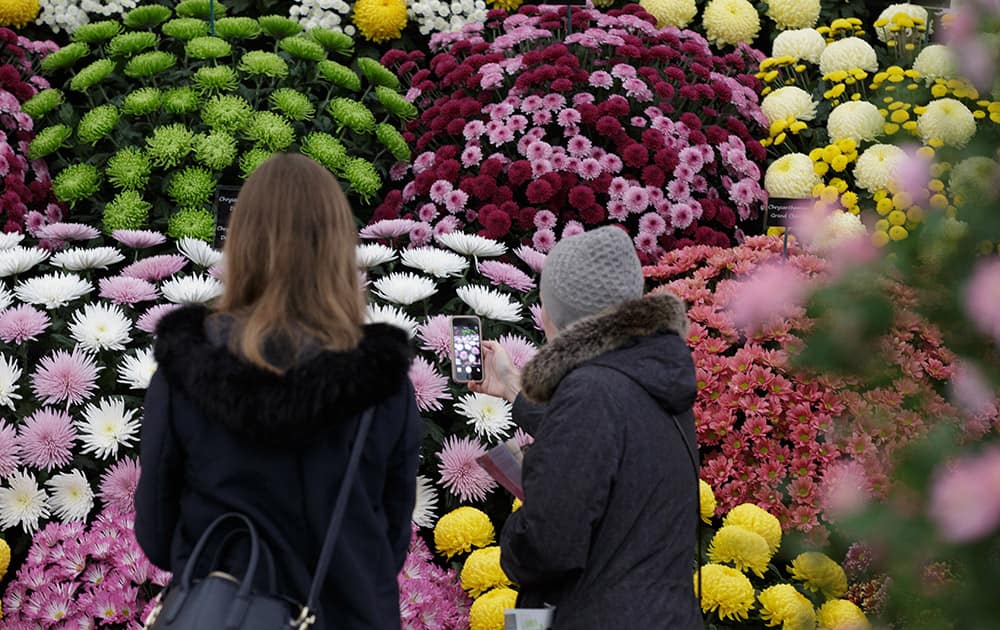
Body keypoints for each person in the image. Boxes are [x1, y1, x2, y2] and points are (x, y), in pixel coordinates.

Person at [134, 153, 421, 629]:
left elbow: (158, 535)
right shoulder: (381, 382)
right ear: (337, 248)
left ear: (241, 242)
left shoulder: (187, 367)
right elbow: (389, 541)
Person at [472, 225, 701, 629]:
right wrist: (512, 388)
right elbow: (619, 433)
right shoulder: (653, 373)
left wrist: (513, 536)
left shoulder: (590, 392)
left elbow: (549, 545)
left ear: (556, 314)